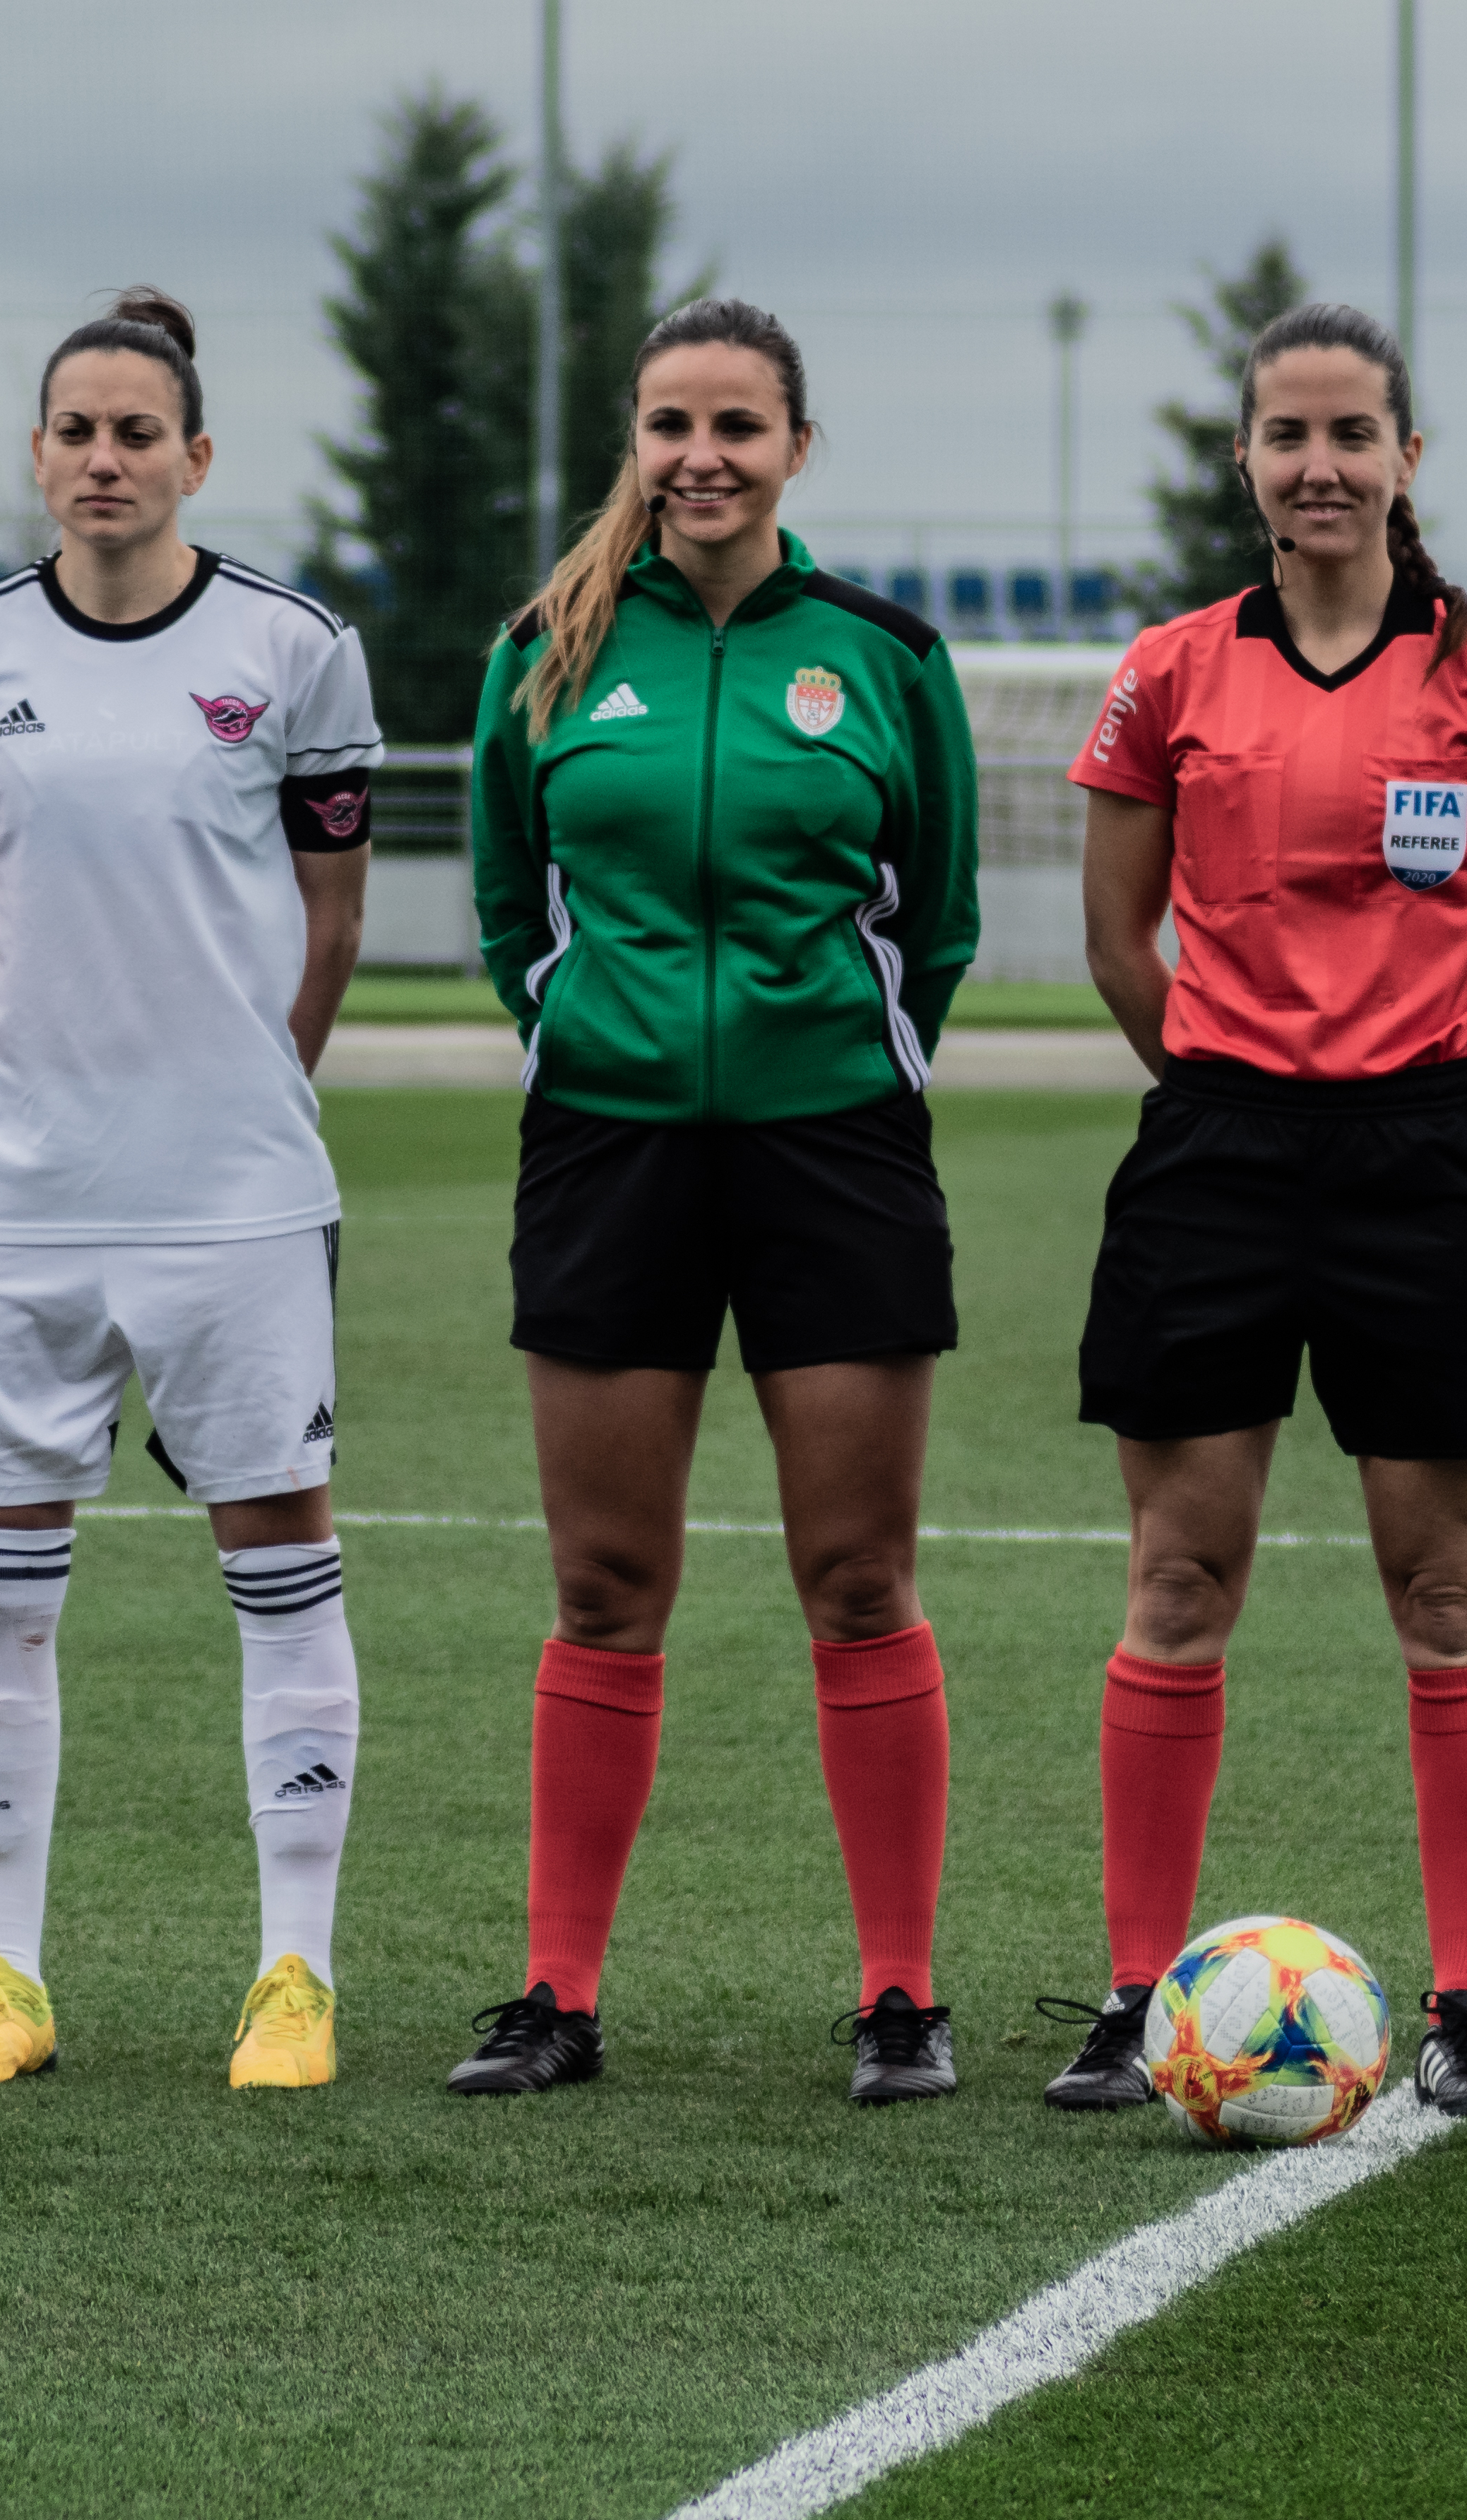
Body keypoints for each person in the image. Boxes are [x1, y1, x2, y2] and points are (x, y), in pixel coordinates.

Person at [1044, 300, 1467, 2124]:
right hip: (1214, 1155)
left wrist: (1437, 1112)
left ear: (1405, 458)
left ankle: (1461, 2004)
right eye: (1284, 435)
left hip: (1420, 1164)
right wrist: (1226, 1086)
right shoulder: (1167, 673)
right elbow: (1117, 942)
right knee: (1177, 1576)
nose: (1317, 466)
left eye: (1350, 434)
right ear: (1244, 459)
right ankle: (1139, 1997)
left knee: (1444, 1585)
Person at [456, 297, 981, 2105]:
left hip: (833, 1149)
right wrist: (570, 1030)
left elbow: (948, 912)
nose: (703, 458)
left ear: (796, 450)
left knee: (857, 1576)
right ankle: (555, 1991)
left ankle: (900, 1997)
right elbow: (507, 907)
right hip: (609, 1149)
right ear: (637, 439)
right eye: (672, 425)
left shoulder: (888, 656)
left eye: (739, 428)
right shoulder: (546, 644)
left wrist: (852, 1051)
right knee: (607, 1582)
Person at [0, 289, 381, 2093]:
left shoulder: (297, 647)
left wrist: (244, 1083)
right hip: (11, 1198)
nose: (106, 460)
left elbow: (330, 916)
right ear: (39, 455)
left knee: (283, 1554)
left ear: (196, 456)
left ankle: (294, 1979)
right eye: (75, 433)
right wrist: (50, 1071)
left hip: (232, 1195)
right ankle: (2, 1975)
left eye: (137, 434)